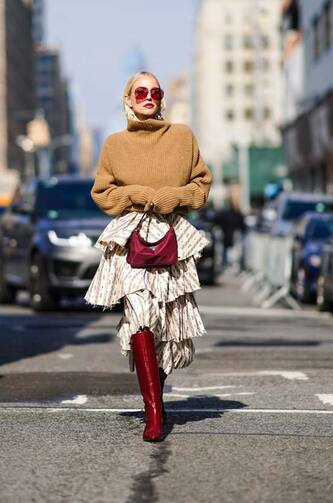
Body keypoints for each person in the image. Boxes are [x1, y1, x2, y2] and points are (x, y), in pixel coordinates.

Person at [84, 71, 212, 442]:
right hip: (131, 236)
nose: (148, 97)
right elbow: (103, 192)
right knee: (140, 315)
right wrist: (136, 194)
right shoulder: (114, 144)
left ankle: (155, 389)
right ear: (128, 99)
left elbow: (201, 184)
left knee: (170, 328)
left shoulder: (182, 137)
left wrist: (175, 198)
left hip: (172, 234)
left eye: (155, 92)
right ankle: (154, 412)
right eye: (141, 91)